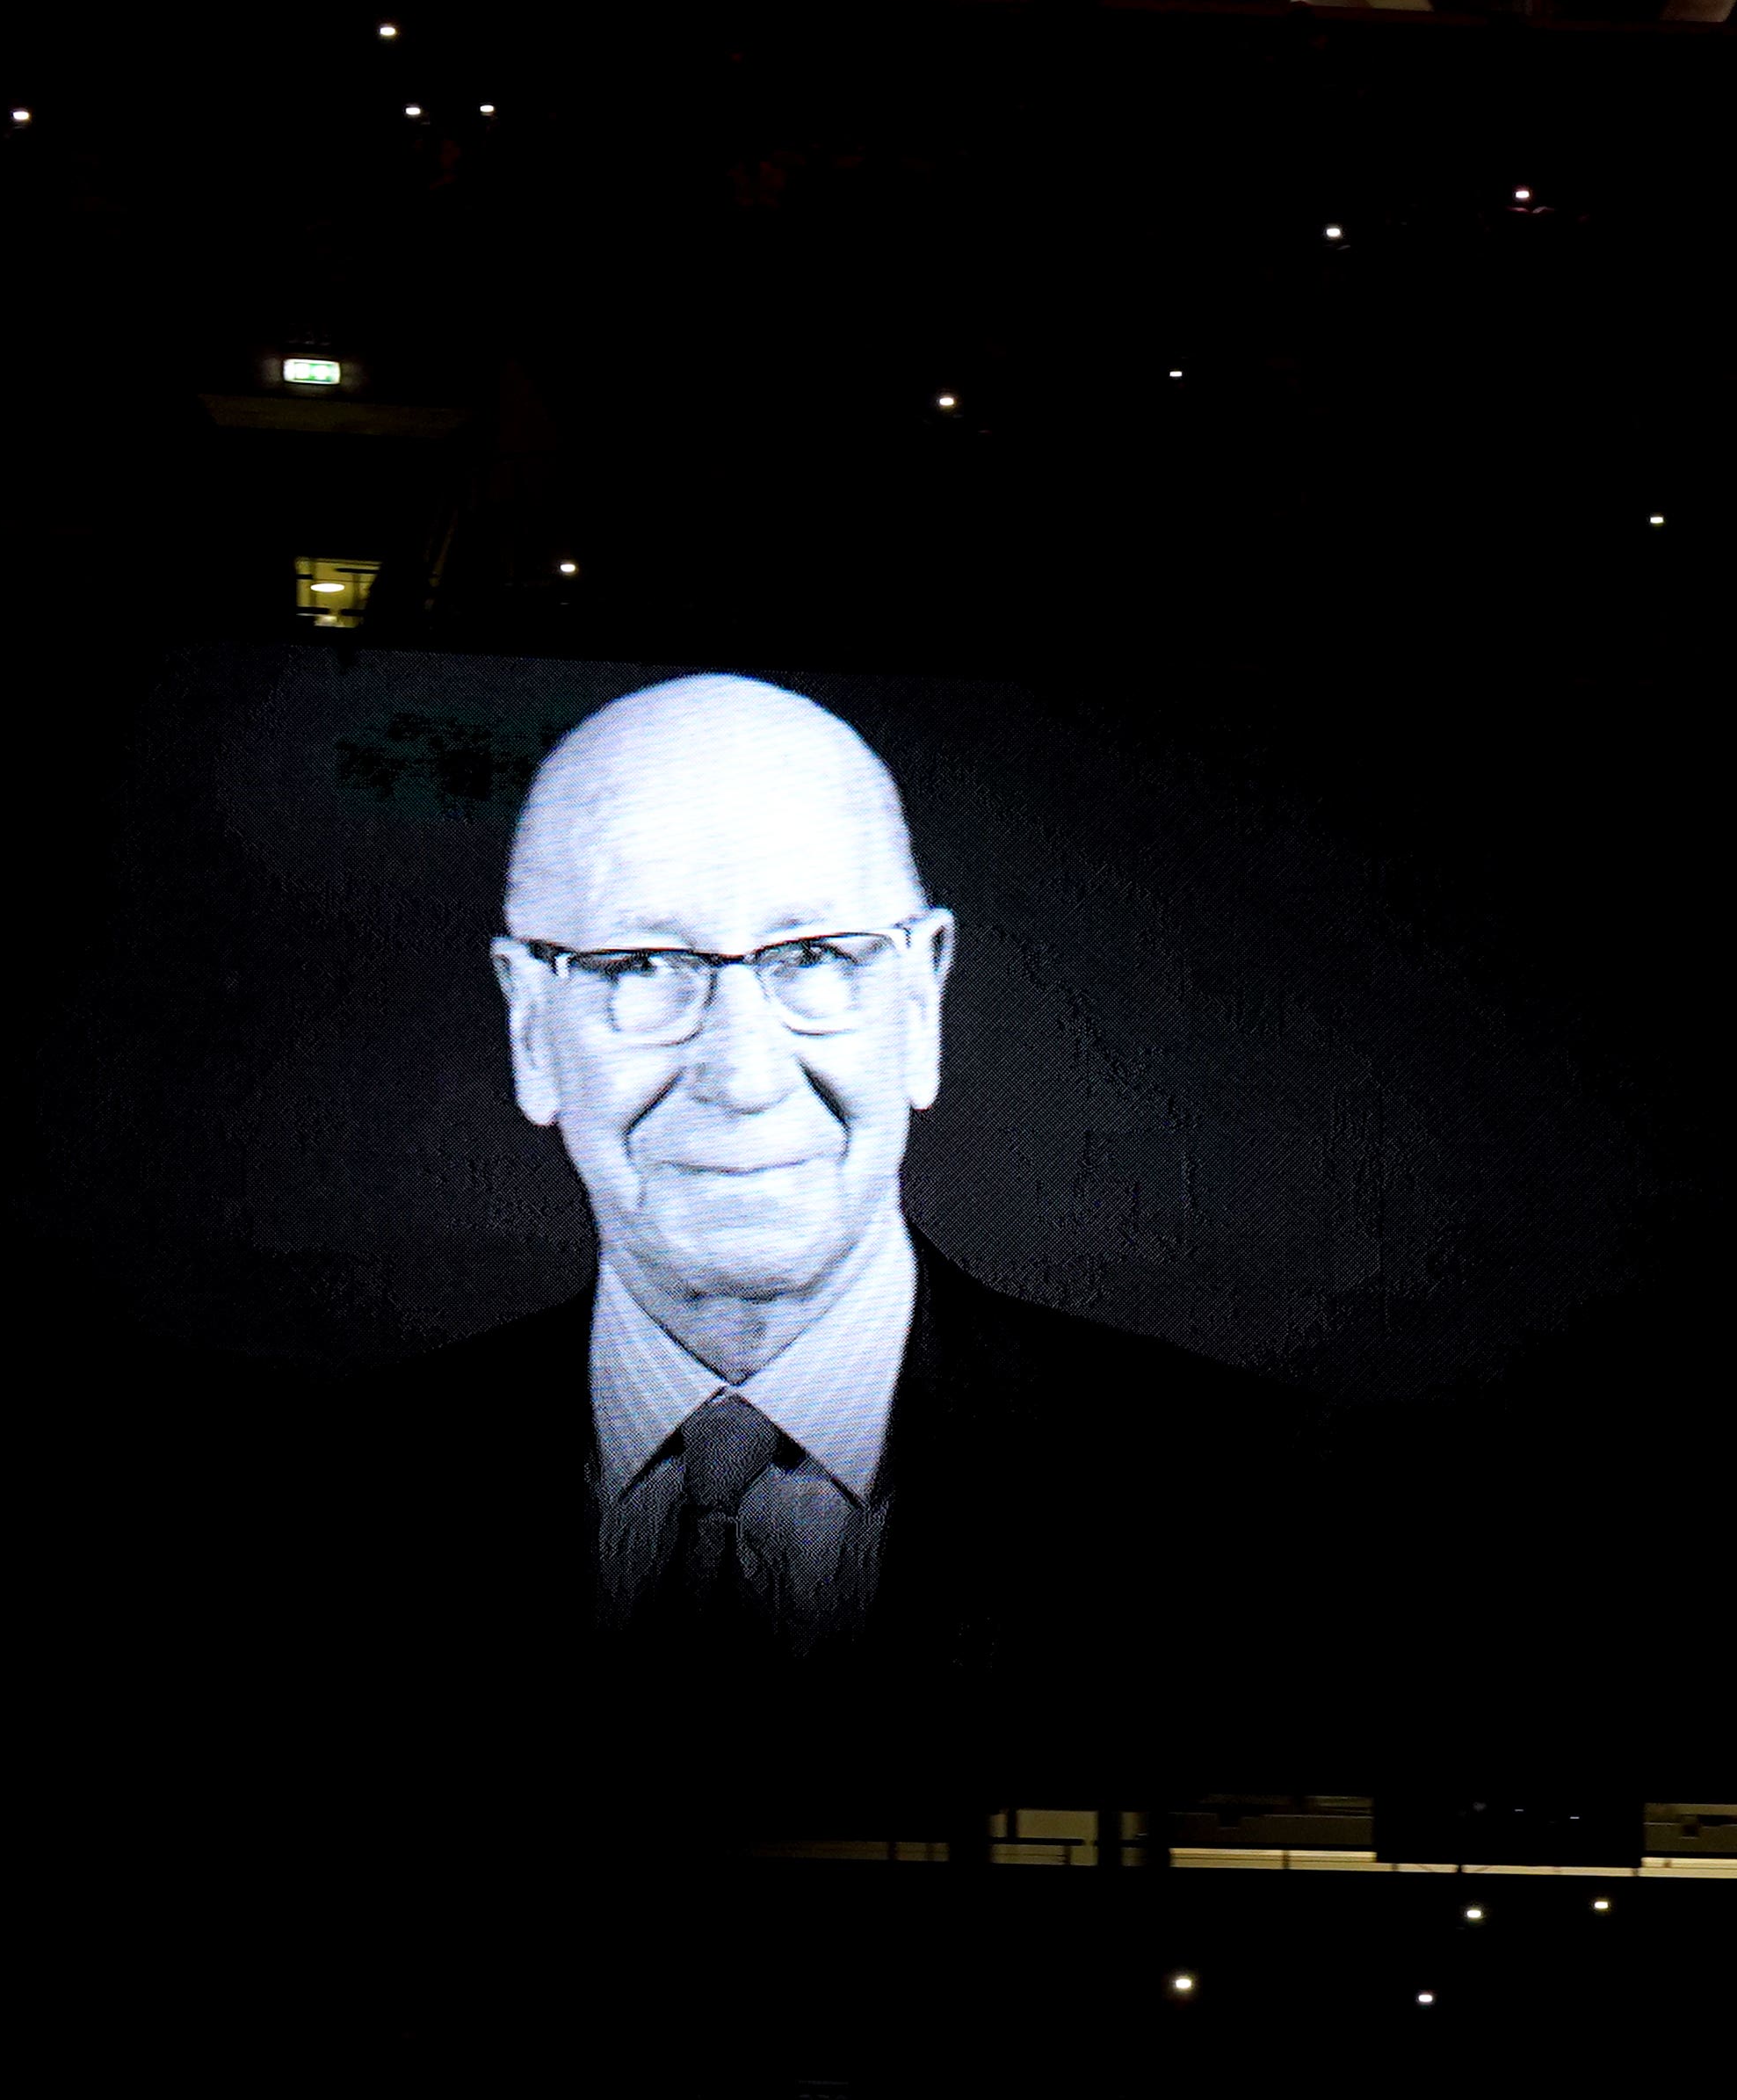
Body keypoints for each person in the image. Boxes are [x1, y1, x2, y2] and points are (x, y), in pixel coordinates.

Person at [370, 671, 1296, 1715]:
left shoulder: (1263, 1512)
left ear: (921, 995)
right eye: (637, 963)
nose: (743, 1072)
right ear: (531, 1028)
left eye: (812, 956)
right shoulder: (315, 1506)